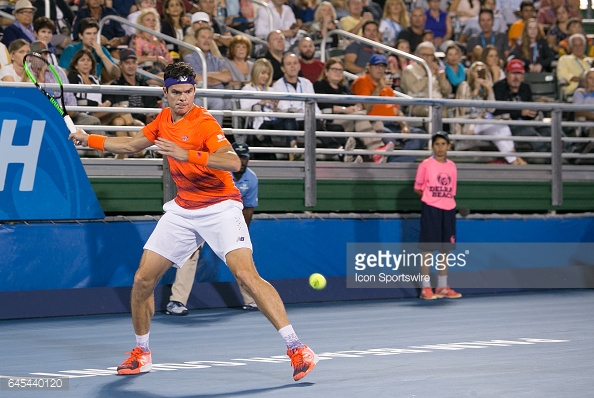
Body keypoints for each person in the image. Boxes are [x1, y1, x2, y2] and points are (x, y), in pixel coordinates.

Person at [68, 62, 318, 380]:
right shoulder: (162, 120)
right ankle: (141, 352)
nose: (183, 98)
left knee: (245, 275)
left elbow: (231, 160)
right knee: (143, 280)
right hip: (184, 209)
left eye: (188, 92)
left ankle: (297, 349)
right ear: (165, 93)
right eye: (176, 93)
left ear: (194, 92)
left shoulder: (204, 122)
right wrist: (87, 138)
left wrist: (188, 154)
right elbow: (131, 145)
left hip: (221, 207)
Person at [166, 141, 259, 315]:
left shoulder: (252, 178)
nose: (241, 160)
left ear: (248, 159)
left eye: (244, 157)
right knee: (190, 255)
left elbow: (248, 207)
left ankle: (252, 300)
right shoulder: (218, 171)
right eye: (237, 157)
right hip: (202, 214)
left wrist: (242, 233)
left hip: (228, 220)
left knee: (240, 257)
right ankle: (177, 301)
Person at [351, 54, 429, 163]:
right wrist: (379, 87)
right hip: (376, 124)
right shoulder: (362, 81)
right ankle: (392, 166)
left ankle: (395, 164)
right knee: (389, 139)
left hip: (394, 124)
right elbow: (366, 108)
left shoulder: (387, 88)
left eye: (383, 66)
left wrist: (404, 125)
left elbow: (397, 111)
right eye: (376, 66)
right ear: (369, 67)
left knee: (420, 135)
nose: (380, 69)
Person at [414, 131, 462, 300]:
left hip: (448, 210)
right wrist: (430, 200)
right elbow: (418, 188)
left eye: (443, 144)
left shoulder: (452, 166)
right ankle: (425, 288)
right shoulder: (425, 165)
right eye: (437, 144)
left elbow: (452, 191)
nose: (440, 148)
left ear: (448, 146)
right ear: (432, 146)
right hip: (431, 210)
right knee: (428, 249)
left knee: (445, 249)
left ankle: (442, 287)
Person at [454, 61, 526, 165]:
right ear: (471, 73)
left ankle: (513, 158)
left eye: (482, 71)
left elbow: (492, 109)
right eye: (477, 71)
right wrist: (475, 91)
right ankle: (514, 159)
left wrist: (489, 90)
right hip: (469, 125)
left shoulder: (485, 88)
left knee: (499, 128)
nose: (479, 74)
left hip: (483, 124)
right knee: (495, 124)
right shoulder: (465, 86)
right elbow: (463, 109)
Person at [314, 57, 382, 163]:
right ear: (326, 71)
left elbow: (355, 102)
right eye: (334, 69)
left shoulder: (344, 88)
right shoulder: (319, 85)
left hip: (350, 119)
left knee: (376, 120)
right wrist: (344, 110)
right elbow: (322, 106)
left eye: (340, 70)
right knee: (360, 118)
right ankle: (377, 152)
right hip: (331, 121)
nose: (338, 73)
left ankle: (378, 151)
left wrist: (357, 107)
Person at [493, 59, 552, 153]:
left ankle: (571, 151)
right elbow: (497, 110)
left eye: (519, 73)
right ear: (507, 74)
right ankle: (549, 154)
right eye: (513, 73)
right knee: (527, 131)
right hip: (508, 124)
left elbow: (529, 107)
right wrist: (520, 112)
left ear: (523, 75)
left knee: (548, 129)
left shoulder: (525, 87)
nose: (516, 77)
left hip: (526, 122)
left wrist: (533, 112)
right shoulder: (499, 87)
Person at [183, 25, 232, 125]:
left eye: (209, 37)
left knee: (233, 101)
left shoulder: (215, 59)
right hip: (200, 95)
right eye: (203, 37)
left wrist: (207, 75)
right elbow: (198, 78)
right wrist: (218, 77)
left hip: (218, 94)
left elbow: (227, 77)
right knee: (215, 102)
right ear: (196, 40)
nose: (206, 40)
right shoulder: (189, 58)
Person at [240, 58, 281, 157]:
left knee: (289, 122)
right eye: (263, 73)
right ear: (256, 72)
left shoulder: (272, 90)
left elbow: (275, 113)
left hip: (272, 121)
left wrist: (275, 106)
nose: (265, 77)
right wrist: (260, 102)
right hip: (257, 122)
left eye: (268, 74)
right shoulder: (247, 89)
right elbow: (243, 111)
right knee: (265, 127)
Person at [400, 41, 452, 119]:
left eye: (430, 55)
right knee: (433, 111)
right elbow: (414, 90)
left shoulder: (435, 69)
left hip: (438, 102)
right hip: (418, 104)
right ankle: (434, 131)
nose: (428, 58)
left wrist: (441, 78)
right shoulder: (409, 70)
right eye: (424, 55)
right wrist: (428, 75)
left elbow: (447, 91)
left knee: (454, 108)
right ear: (417, 55)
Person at [59, 18, 121, 83]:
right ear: (81, 36)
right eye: (88, 34)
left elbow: (116, 75)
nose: (92, 37)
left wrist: (102, 55)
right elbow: (63, 73)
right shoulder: (70, 50)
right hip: (75, 85)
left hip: (94, 86)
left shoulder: (101, 50)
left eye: (95, 33)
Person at [129, 7, 173, 84]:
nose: (151, 22)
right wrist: (156, 59)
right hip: (145, 72)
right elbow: (135, 59)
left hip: (163, 71)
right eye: (148, 20)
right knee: (170, 81)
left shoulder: (160, 40)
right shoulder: (137, 39)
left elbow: (168, 60)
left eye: (154, 20)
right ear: (141, 23)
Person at [557, 34, 593, 99]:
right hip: (575, 90)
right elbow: (563, 75)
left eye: (580, 45)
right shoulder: (564, 59)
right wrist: (583, 80)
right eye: (575, 45)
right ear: (570, 47)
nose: (578, 48)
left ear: (584, 46)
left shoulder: (591, 60)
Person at [572, 68, 594, 142]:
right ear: (585, 81)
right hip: (588, 127)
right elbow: (578, 112)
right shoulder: (580, 93)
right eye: (590, 78)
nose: (593, 81)